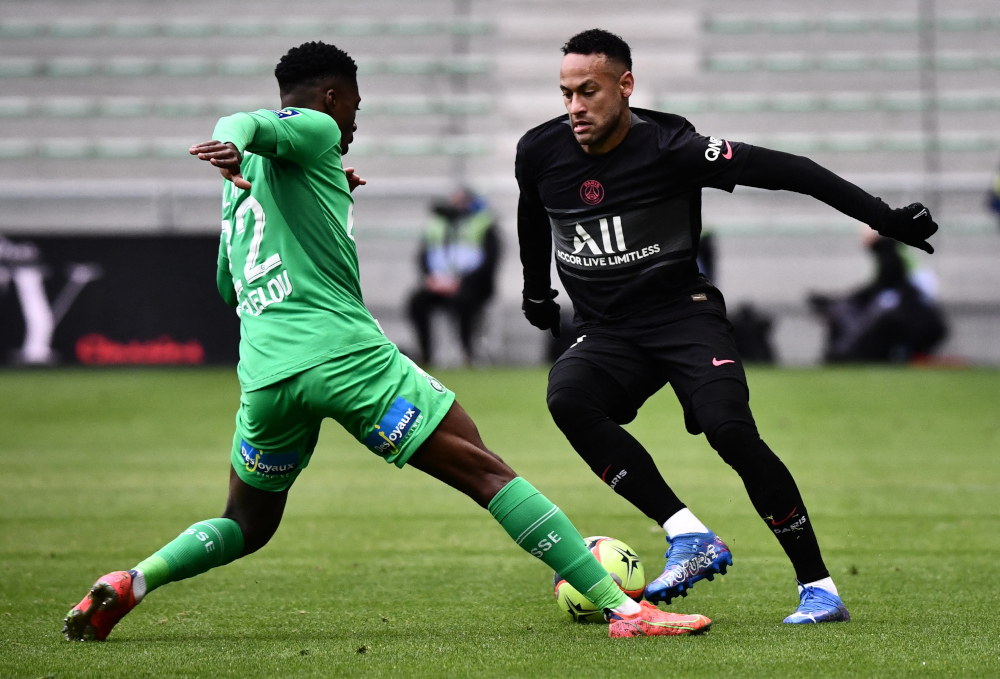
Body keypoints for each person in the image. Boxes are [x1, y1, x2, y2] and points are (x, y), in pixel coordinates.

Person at [62, 41, 711, 643]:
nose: (352, 126)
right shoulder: (311, 127)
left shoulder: (242, 197)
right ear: (331, 98)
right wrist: (229, 140)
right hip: (345, 358)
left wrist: (314, 197)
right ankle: (625, 609)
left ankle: (133, 580)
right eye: (355, 108)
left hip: (265, 378)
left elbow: (227, 287)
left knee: (245, 523)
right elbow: (245, 122)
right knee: (488, 471)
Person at [516, 29, 938, 624]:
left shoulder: (672, 146)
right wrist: (537, 290)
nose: (576, 107)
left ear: (625, 85)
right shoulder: (539, 151)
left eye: (589, 91)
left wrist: (885, 219)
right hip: (609, 329)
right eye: (566, 94)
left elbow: (791, 170)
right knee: (568, 398)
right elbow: (532, 214)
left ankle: (818, 588)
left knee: (730, 432)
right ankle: (687, 533)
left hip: (682, 316)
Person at [810, 233, 946, 362]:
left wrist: (848, 299)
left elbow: (881, 283)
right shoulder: (896, 252)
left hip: (917, 314)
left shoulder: (891, 255)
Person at [407, 188, 500, 366]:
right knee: (416, 302)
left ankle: (468, 354)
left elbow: (490, 262)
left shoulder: (483, 224)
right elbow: (423, 256)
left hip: (473, 286)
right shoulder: (437, 225)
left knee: (463, 303)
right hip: (440, 284)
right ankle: (426, 355)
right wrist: (432, 279)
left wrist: (462, 282)